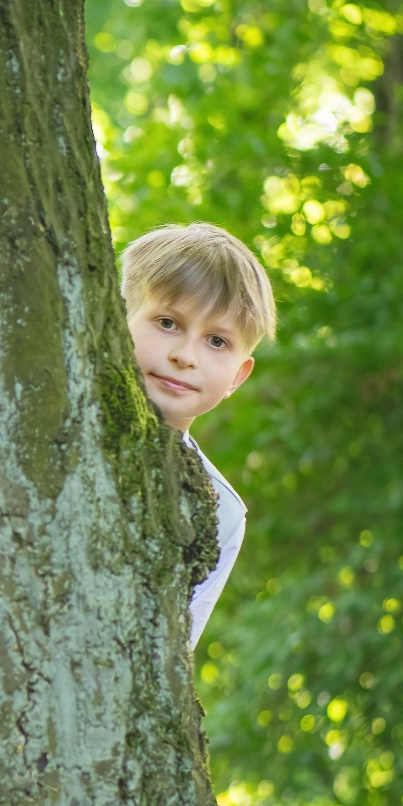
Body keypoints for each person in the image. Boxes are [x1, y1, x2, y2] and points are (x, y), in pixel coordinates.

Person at [120, 221, 276, 644]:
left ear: (237, 378)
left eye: (217, 341)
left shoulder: (221, 514)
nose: (185, 355)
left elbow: (172, 655)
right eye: (168, 322)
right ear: (115, 319)